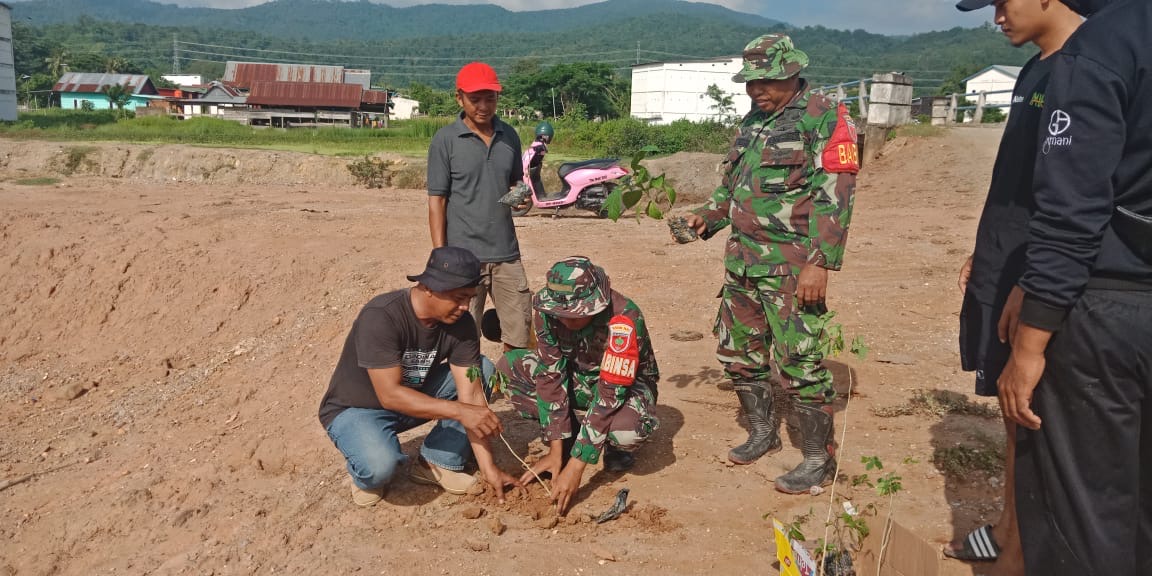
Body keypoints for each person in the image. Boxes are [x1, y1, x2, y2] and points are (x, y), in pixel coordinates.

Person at [995, 0, 1152, 574]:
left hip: (1110, 307)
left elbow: (1072, 211)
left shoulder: (1106, 45)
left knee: (1088, 515)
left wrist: (1031, 342)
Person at [675, 34, 858, 494]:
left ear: (792, 72)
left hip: (792, 268)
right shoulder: (753, 121)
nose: (756, 90)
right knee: (738, 353)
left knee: (799, 360)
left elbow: (836, 195)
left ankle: (817, 458)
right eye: (751, 82)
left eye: (766, 81)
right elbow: (732, 187)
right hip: (742, 263)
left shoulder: (824, 116)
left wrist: (820, 263)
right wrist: (707, 216)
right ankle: (763, 432)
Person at [944, 0, 1082, 571]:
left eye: (1003, 1)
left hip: (1043, 273)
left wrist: (1033, 277)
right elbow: (1017, 181)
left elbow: (1075, 201)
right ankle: (1008, 526)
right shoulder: (1034, 69)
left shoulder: (1086, 67)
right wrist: (989, 251)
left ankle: (1024, 552)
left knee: (1036, 410)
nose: (997, 16)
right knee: (1010, 406)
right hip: (1010, 259)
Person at [318, 246, 521, 507]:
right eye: (459, 297)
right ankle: (364, 472)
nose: (465, 306)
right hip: (358, 408)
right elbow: (390, 395)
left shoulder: (462, 324)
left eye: (470, 297)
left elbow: (471, 396)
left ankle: (436, 462)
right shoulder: (382, 315)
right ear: (429, 288)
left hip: (413, 396)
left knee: (481, 370)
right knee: (379, 467)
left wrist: (489, 468)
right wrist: (460, 411)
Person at [497, 257, 659, 514]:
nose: (566, 322)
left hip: (624, 387)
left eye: (575, 315)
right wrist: (556, 448)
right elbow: (550, 375)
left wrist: (576, 466)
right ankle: (570, 435)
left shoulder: (624, 319)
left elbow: (610, 394)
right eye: (561, 315)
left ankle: (611, 447)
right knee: (510, 368)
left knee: (626, 433)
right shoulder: (548, 312)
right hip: (580, 378)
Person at [427, 62, 532, 353]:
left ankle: (512, 380)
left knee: (519, 333)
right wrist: (441, 256)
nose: (484, 107)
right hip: (463, 258)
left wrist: (522, 197)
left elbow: (515, 183)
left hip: (506, 254)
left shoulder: (509, 136)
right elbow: (437, 201)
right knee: (462, 338)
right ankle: (469, 383)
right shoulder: (445, 141)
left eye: (490, 98)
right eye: (475, 99)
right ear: (459, 98)